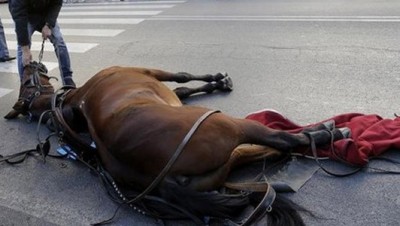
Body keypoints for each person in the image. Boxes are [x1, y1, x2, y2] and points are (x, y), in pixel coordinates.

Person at [8, 0, 76, 87]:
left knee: (59, 41)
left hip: (45, 15)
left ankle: (67, 78)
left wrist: (48, 25)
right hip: (26, 18)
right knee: (22, 50)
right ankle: (25, 84)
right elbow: (19, 18)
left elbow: (57, 3)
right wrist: (25, 49)